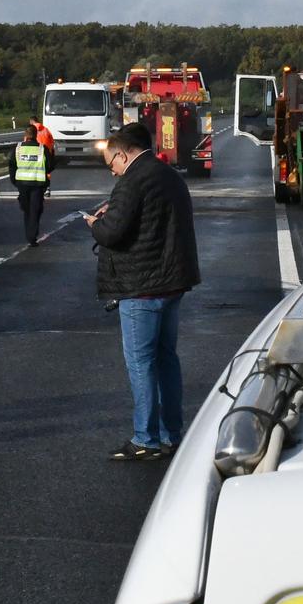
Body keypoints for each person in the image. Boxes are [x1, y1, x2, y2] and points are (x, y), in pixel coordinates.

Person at [85, 123, 201, 461]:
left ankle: (145, 440)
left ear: (122, 154)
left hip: (142, 287)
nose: (113, 172)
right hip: (173, 282)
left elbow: (112, 233)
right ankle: (172, 435)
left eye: (112, 165)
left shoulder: (131, 182)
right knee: (166, 360)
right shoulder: (169, 175)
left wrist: (96, 223)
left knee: (141, 363)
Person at [9, 125, 54, 246]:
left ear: (25, 135)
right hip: (37, 184)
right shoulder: (42, 149)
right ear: (36, 135)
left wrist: (14, 181)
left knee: (27, 210)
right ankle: (32, 236)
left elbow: (12, 165)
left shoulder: (17, 149)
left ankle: (30, 234)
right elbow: (50, 166)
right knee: (35, 210)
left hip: (22, 185)